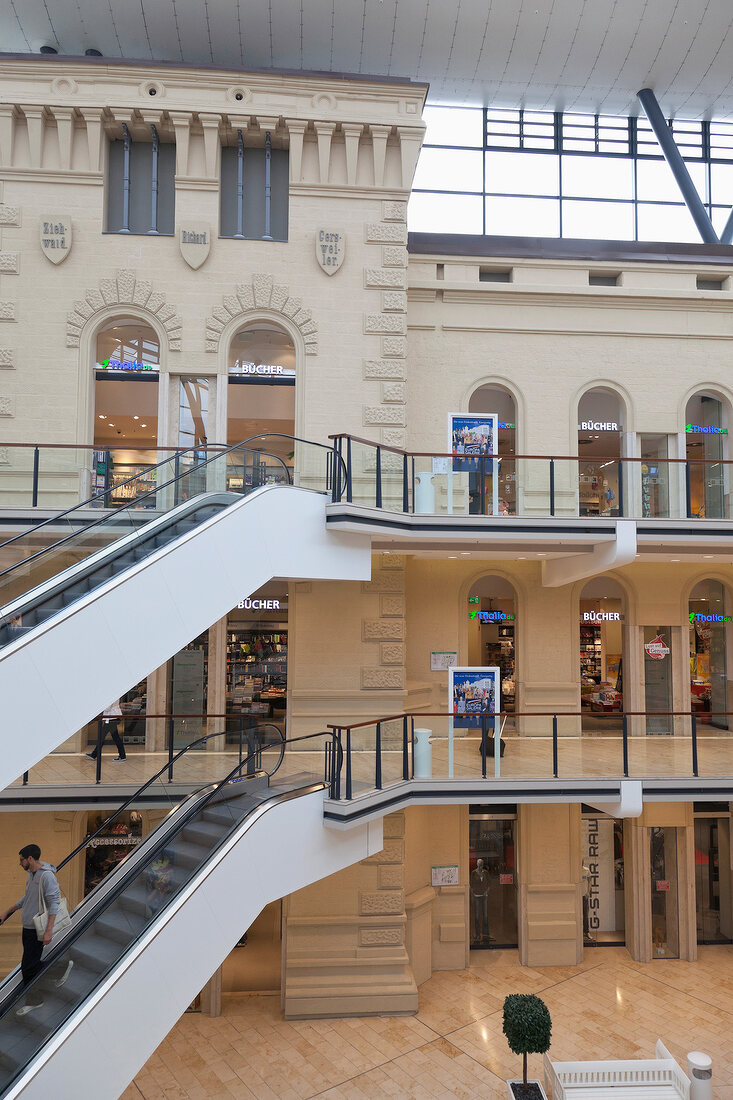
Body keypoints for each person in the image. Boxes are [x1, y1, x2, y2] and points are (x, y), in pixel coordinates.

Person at [0, 844, 73, 1015]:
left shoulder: (47, 877)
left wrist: (48, 931)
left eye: (21, 860)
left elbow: (54, 903)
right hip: (28, 928)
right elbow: (28, 897)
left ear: (30, 859)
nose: (20, 863)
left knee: (29, 967)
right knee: (28, 967)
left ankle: (60, 968)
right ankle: (35, 999)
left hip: (36, 930)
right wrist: (8, 911)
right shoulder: (32, 875)